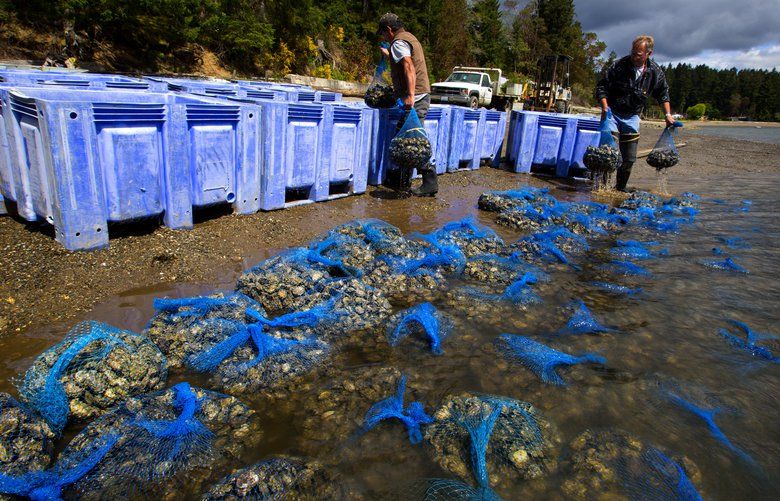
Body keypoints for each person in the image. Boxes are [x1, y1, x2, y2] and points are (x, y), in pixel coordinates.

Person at [595, 35, 675, 191]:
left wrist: (667, 115)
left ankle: (619, 189)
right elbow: (602, 87)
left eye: (637, 55)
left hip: (632, 116)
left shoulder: (655, 72)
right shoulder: (618, 66)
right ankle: (601, 187)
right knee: (607, 154)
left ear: (648, 54)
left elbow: (663, 94)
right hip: (612, 113)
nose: (633, 57)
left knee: (629, 158)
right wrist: (604, 107)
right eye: (632, 52)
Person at [377, 12, 437, 197]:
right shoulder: (409, 38)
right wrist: (389, 55)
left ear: (389, 29)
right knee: (404, 139)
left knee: (412, 141)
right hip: (420, 94)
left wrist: (410, 95)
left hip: (415, 97)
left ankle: (429, 182)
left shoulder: (399, 42)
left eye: (383, 33)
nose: (384, 37)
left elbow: (408, 66)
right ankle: (401, 181)